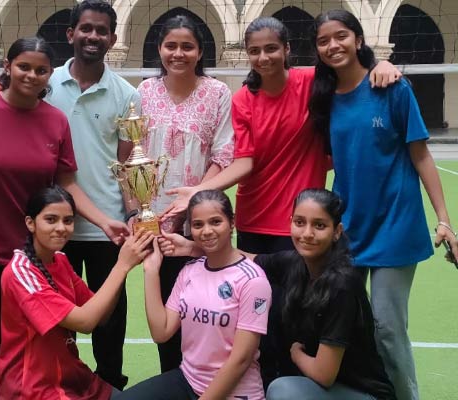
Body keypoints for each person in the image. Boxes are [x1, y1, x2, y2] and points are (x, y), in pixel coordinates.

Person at [161, 16, 401, 386]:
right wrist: (198, 191)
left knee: (299, 320)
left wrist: (380, 64)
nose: (263, 57)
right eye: (254, 51)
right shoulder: (244, 100)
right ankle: (261, 388)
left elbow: (351, 71)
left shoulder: (312, 83)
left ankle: (295, 387)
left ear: (287, 49)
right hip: (255, 222)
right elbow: (246, 160)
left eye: (271, 48)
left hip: (300, 226)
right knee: (261, 323)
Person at [0, 36, 128, 400]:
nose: (32, 75)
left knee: (42, 339)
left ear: (50, 73)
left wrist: (103, 220)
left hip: (35, 252)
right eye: (24, 67)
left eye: (41, 69)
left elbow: (67, 184)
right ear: (7, 66)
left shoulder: (55, 121)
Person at [308, 10, 458, 400]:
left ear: (358, 39)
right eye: (323, 41)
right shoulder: (323, 97)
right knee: (342, 324)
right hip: (349, 230)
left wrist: (445, 220)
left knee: (388, 328)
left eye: (340, 36)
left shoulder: (393, 89)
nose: (332, 45)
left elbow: (422, 156)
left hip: (395, 225)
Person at [161, 189, 397, 400]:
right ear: (290, 223)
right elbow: (246, 258)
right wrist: (195, 247)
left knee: (282, 390)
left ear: (337, 232)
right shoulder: (294, 262)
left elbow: (324, 375)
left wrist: (295, 355)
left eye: (319, 225)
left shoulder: (342, 286)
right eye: (300, 222)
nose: (307, 233)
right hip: (321, 388)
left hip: (359, 392)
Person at [46, 0, 139, 389]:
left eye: (102, 30)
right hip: (54, 228)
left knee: (109, 320)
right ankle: (54, 386)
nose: (93, 36)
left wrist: (134, 212)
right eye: (86, 28)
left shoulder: (127, 95)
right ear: (71, 34)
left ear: (112, 39)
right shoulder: (44, 83)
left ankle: (111, 385)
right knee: (54, 319)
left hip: (107, 228)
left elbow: (127, 163)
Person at [137, 14, 234, 372]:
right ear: (159, 48)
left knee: (208, 314)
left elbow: (224, 154)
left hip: (200, 222)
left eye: (187, 46)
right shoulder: (144, 92)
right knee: (166, 312)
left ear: (199, 51)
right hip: (157, 225)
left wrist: (191, 201)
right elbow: (134, 158)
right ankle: (173, 381)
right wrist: (139, 211)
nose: (178, 53)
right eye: (170, 46)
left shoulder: (218, 93)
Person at [0, 185, 154, 399]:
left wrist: (123, 263)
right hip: (33, 389)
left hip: (74, 379)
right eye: (51, 220)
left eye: (68, 220)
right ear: (30, 223)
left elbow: (102, 315)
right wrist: (122, 265)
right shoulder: (20, 273)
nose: (61, 228)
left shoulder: (59, 260)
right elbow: (85, 322)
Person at [117, 189, 272, 400]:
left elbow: (241, 360)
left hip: (235, 393)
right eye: (198, 225)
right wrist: (151, 270)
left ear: (232, 223)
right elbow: (161, 332)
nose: (206, 231)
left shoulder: (253, 280)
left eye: (216, 222)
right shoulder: (190, 271)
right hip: (188, 381)